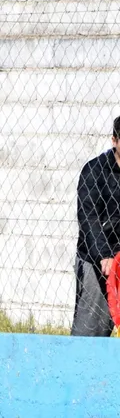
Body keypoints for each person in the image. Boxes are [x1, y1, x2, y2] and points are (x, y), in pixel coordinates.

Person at [72, 116, 120, 336]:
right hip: (98, 260)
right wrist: (104, 255)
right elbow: (89, 218)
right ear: (114, 141)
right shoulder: (94, 171)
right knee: (89, 334)